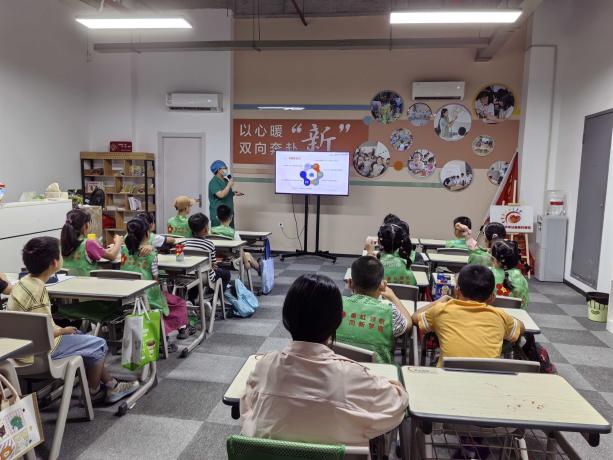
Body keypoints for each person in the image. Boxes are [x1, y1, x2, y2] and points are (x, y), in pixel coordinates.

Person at [240, 274, 409, 445]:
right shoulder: (353, 376)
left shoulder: (264, 367)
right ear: (336, 322)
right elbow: (397, 404)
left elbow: (248, 410)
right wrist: (394, 386)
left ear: (286, 318)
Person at [7, 237, 140, 404]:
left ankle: (111, 384)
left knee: (83, 338)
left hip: (19, 351)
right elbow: (43, 333)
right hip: (39, 353)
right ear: (55, 263)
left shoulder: (22, 283)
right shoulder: (38, 291)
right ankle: (94, 393)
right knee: (99, 344)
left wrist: (63, 331)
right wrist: (63, 331)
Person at [413, 264, 525, 367]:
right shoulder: (500, 316)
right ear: (492, 297)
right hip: (488, 380)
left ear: (457, 291)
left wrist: (440, 300)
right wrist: (500, 313)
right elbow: (521, 327)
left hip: (447, 378)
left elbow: (415, 317)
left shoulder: (441, 309)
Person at [122, 219, 189, 339]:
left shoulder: (123, 250)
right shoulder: (151, 255)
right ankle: (168, 333)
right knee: (178, 303)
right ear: (147, 234)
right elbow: (155, 279)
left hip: (126, 296)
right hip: (147, 298)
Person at [338, 256, 412, 363]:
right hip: (377, 371)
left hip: (340, 368)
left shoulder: (336, 304)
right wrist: (393, 297)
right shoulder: (390, 312)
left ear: (350, 283)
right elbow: (408, 324)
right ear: (382, 285)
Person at [61, 209, 124, 276]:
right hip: (86, 280)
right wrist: (118, 242)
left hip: (68, 279)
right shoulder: (89, 243)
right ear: (86, 225)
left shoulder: (65, 241)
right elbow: (112, 256)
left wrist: (108, 249)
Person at [182, 212, 231, 288]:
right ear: (206, 229)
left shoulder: (184, 243)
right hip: (206, 277)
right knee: (226, 274)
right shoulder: (209, 244)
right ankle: (218, 293)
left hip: (188, 276)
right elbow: (214, 264)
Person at [211, 204, 261, 276]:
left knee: (246, 255)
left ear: (217, 218)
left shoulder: (211, 231)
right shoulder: (233, 233)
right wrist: (246, 262)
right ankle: (260, 268)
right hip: (231, 261)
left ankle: (259, 267)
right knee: (247, 255)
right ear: (231, 217)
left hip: (215, 259)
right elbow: (240, 249)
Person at [490, 240, 529, 308]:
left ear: (493, 259)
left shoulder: (488, 275)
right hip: (515, 314)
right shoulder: (522, 280)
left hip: (491, 313)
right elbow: (524, 304)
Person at [208, 160, 242, 228]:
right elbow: (221, 195)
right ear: (218, 170)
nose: (226, 169)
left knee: (230, 233)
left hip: (228, 214)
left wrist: (233, 193)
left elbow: (226, 192)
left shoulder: (225, 180)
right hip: (219, 215)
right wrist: (229, 185)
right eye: (224, 168)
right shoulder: (213, 182)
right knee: (218, 233)